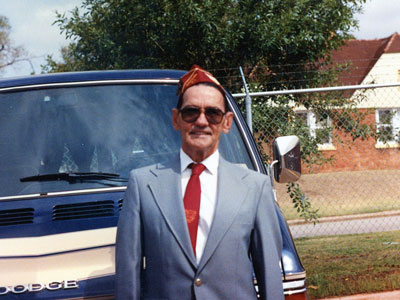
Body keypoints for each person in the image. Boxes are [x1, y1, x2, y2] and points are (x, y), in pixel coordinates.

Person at [116, 65, 284, 300]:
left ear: (227, 123)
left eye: (213, 113)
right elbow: (128, 279)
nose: (202, 121)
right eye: (191, 112)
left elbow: (270, 278)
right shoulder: (143, 185)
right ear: (176, 119)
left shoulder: (255, 188)